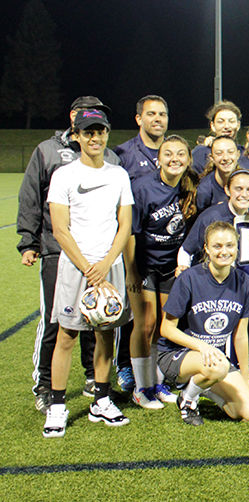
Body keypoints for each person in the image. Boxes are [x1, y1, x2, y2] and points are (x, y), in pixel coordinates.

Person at [19, 96, 118, 413]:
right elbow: (31, 195)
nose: (94, 130)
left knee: (98, 317)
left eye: (100, 120)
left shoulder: (111, 158)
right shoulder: (48, 151)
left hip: (99, 255)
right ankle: (45, 385)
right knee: (56, 322)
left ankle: (93, 377)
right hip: (56, 250)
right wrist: (29, 241)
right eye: (88, 120)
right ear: (74, 119)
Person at [43, 108, 134, 438]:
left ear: (107, 134)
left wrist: (107, 263)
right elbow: (59, 228)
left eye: (101, 132)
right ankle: (56, 405)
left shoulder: (118, 175)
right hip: (76, 267)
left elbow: (124, 225)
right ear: (77, 136)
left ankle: (101, 398)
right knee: (66, 335)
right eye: (88, 132)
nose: (95, 138)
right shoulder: (64, 176)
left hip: (109, 267)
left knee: (106, 334)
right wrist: (87, 268)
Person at [159, 221, 249, 425]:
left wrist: (246, 377)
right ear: (206, 248)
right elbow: (166, 329)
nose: (224, 251)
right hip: (176, 355)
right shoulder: (189, 278)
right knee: (218, 366)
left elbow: (241, 336)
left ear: (237, 247)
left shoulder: (245, 283)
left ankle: (203, 388)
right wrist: (202, 346)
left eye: (230, 245)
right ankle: (188, 400)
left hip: (214, 360)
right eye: (217, 246)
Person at [124, 134, 199, 409]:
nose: (174, 159)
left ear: (188, 159)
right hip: (145, 266)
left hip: (170, 267)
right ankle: (141, 388)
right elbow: (130, 234)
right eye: (168, 154)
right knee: (144, 324)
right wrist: (132, 272)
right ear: (158, 159)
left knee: (162, 328)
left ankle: (156, 382)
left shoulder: (190, 187)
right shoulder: (143, 188)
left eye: (181, 154)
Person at [179, 170, 249, 274]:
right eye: (238, 189)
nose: (244, 194)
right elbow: (186, 250)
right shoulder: (211, 216)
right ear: (227, 190)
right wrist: (184, 272)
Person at [114, 95, 169, 181]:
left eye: (162, 114)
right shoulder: (124, 154)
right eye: (151, 114)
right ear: (139, 119)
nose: (158, 119)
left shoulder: (178, 152)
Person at [191, 100, 242, 174]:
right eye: (221, 121)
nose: (226, 126)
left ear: (238, 125)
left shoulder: (244, 153)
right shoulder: (200, 153)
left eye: (231, 121)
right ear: (213, 126)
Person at [195, 136, 241, 212]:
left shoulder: (246, 181)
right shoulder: (204, 190)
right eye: (219, 153)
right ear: (212, 158)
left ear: (238, 155)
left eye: (230, 152)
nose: (225, 158)